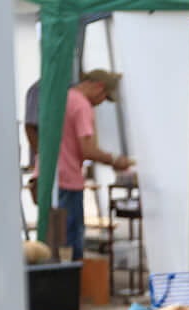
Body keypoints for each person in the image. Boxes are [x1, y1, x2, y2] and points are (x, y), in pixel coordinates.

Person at [44, 69, 131, 261]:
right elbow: (88, 150)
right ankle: (73, 278)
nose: (101, 102)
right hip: (70, 180)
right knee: (72, 243)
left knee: (57, 242)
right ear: (99, 86)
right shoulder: (82, 106)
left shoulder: (64, 98)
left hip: (54, 178)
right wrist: (115, 160)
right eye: (104, 97)